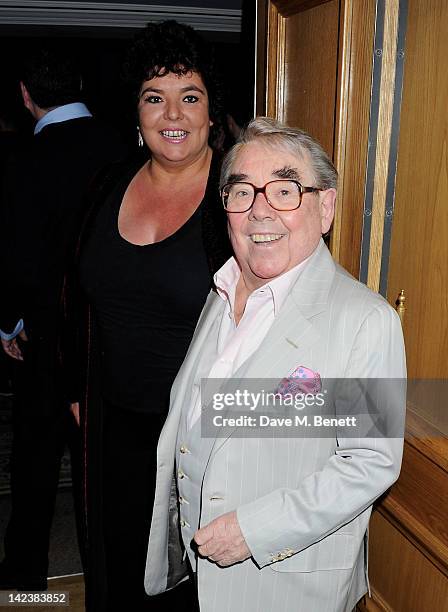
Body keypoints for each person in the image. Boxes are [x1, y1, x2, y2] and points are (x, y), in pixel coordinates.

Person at [144, 117, 407, 611]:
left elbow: (370, 462)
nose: (259, 211)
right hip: (196, 576)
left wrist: (251, 530)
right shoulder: (222, 291)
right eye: (242, 192)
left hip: (282, 585)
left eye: (285, 191)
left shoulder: (365, 322)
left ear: (324, 207)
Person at [68, 20, 230, 611]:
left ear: (213, 110)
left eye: (191, 97)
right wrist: (75, 385)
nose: (173, 114)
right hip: (112, 428)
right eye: (154, 97)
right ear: (135, 113)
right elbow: (77, 294)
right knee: (118, 568)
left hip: (200, 440)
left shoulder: (235, 197)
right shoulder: (108, 183)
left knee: (189, 582)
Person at [0, 48, 125, 591]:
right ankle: (110, 577)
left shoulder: (21, 159)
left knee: (35, 461)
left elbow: (11, 253)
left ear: (27, 96)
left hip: (47, 334)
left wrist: (7, 324)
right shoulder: (125, 148)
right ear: (79, 83)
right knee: (103, 463)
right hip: (111, 334)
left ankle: (27, 581)